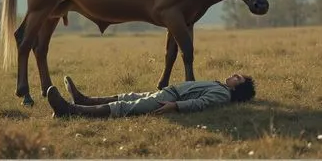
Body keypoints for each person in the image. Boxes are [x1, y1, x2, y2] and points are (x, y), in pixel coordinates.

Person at [46, 73, 255, 119]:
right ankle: (85, 100)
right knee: (128, 96)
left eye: (238, 78)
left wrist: (175, 106)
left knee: (126, 107)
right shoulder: (218, 85)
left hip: (169, 98)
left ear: (238, 89)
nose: (233, 75)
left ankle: (71, 111)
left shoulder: (222, 93)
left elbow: (201, 103)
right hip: (168, 92)